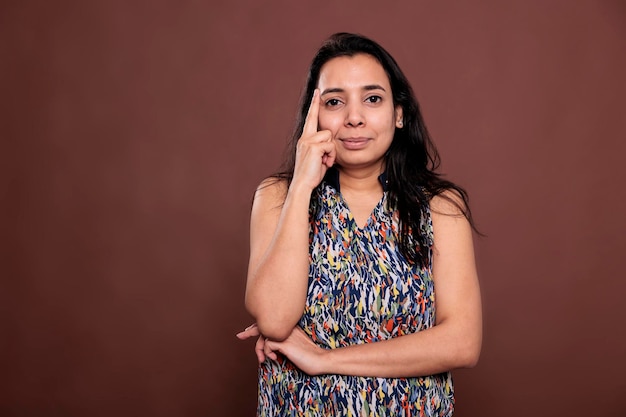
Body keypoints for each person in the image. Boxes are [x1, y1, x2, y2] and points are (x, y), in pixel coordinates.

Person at [237, 32, 482, 416]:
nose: (354, 117)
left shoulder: (439, 207)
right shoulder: (278, 196)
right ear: (313, 115)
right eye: (334, 102)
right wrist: (303, 183)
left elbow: (462, 343)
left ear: (398, 114)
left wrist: (324, 358)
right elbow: (274, 317)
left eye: (372, 99)